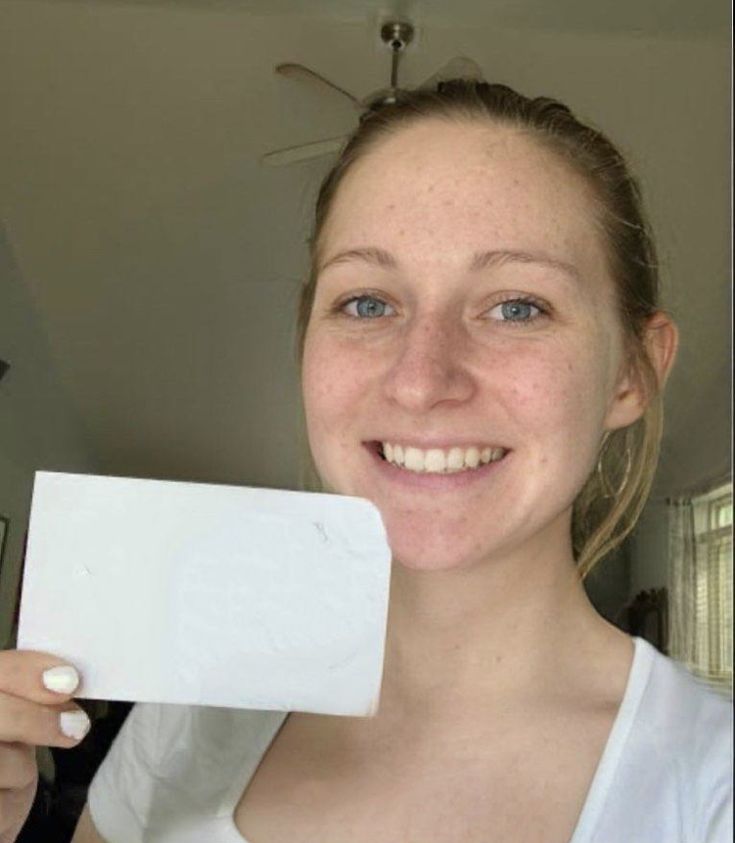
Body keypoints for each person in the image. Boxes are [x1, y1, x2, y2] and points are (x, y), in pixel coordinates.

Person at [1, 79, 730, 843]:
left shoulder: (710, 787)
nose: (420, 380)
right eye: (367, 303)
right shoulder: (199, 708)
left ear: (632, 371)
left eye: (517, 305)